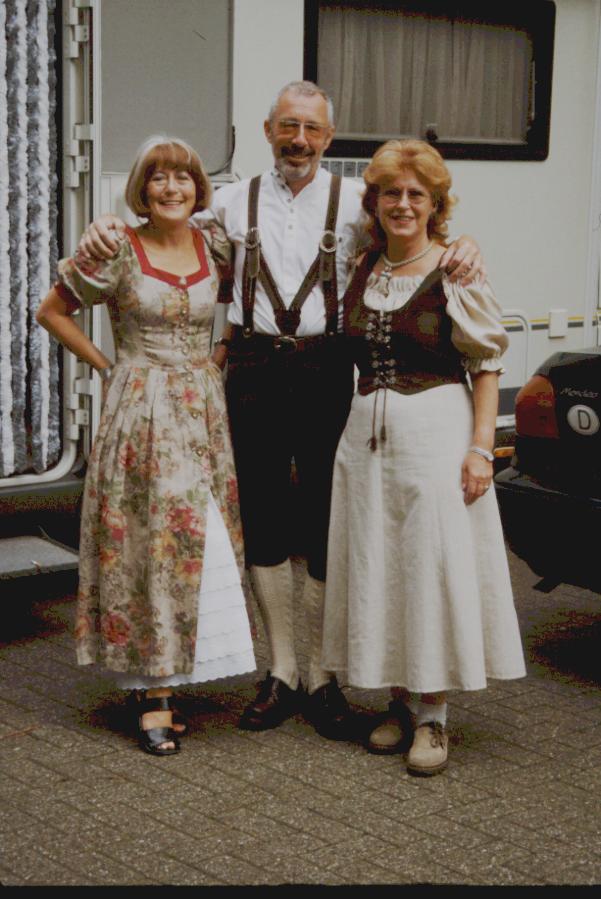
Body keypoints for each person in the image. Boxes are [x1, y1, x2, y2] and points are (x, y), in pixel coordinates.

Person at [77, 82, 486, 741]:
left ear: (329, 137)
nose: (299, 140)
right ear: (267, 130)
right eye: (288, 127)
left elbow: (414, 232)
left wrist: (464, 243)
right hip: (254, 367)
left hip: (328, 367)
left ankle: (323, 674)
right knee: (263, 516)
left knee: (327, 517)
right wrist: (105, 226)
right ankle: (282, 669)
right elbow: (161, 231)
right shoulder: (228, 201)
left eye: (312, 129)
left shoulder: (357, 202)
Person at [36, 136, 256, 756]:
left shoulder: (214, 243)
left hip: (202, 408)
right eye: (158, 178)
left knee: (201, 537)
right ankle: (153, 693)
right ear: (142, 188)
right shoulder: (118, 250)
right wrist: (109, 366)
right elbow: (51, 311)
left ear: (198, 188)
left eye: (183, 177)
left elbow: (248, 293)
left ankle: (181, 671)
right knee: (151, 541)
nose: (171, 188)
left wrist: (220, 350)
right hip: (142, 411)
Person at [321, 139, 526, 775]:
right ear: (375, 202)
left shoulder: (455, 271)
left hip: (436, 434)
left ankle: (433, 715)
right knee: (379, 564)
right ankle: (398, 701)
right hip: (364, 440)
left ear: (435, 204)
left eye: (417, 194)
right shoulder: (362, 264)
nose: (403, 204)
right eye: (392, 193)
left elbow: (486, 366)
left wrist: (481, 450)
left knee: (428, 567)